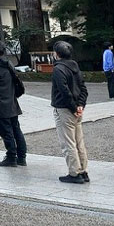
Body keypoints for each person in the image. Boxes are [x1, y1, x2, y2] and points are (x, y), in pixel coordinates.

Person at [51, 40, 89, 184]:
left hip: (64, 109)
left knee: (68, 142)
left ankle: (74, 172)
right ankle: (83, 170)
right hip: (76, 108)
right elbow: (83, 88)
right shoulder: (75, 67)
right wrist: (80, 105)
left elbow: (64, 91)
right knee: (79, 141)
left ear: (57, 54)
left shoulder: (58, 69)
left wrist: (73, 108)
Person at [0, 40, 26, 167]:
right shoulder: (8, 63)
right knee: (16, 129)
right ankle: (21, 156)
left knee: (5, 131)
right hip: (12, 101)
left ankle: (11, 156)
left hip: (1, 102)